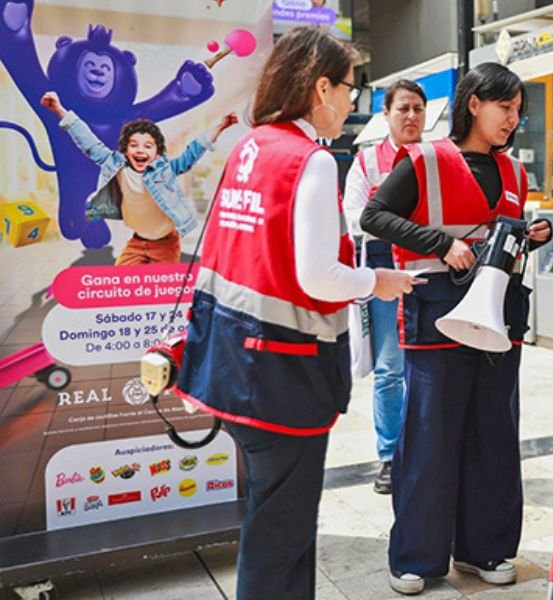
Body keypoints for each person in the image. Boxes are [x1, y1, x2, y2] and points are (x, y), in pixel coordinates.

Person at [173, 26, 416, 599]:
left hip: (230, 364)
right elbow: (316, 276)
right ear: (320, 88)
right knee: (278, 536)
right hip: (282, 376)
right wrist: (377, 280)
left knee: (276, 520)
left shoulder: (251, 146)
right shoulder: (309, 160)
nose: (354, 101)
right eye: (350, 88)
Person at [361, 62, 552, 595]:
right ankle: (415, 558)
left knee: (493, 436)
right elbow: (374, 216)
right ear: (474, 104)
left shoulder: (514, 173)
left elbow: (505, 236)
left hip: (501, 321)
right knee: (430, 439)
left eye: (517, 112)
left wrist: (534, 234)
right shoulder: (423, 159)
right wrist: (441, 244)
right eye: (505, 109)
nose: (513, 120)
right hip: (436, 316)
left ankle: (484, 550)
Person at [342, 79, 427, 494]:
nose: (411, 117)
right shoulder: (366, 162)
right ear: (387, 114)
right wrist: (403, 223)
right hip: (382, 272)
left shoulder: (436, 157)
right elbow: (352, 217)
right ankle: (391, 456)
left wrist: (384, 217)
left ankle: (428, 450)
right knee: (390, 369)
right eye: (403, 109)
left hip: (430, 269)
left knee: (429, 367)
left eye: (417, 109)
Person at [40, 91, 237, 265]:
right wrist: (59, 110)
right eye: (133, 145)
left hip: (166, 244)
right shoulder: (115, 164)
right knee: (122, 284)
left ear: (158, 154)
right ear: (125, 150)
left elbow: (191, 152)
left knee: (163, 293)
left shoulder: (165, 169)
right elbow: (89, 142)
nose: (140, 150)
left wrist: (221, 126)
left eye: (148, 146)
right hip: (137, 242)